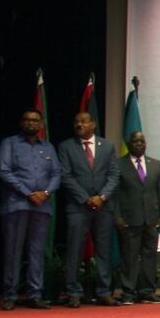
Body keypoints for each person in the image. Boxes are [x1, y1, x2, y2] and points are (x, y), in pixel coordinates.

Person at [0, 108, 60, 310]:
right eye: (27, 120)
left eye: (35, 120)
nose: (31, 123)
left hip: (42, 205)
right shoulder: (10, 143)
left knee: (37, 252)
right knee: (13, 251)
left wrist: (45, 193)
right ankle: (10, 295)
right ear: (21, 123)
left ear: (41, 124)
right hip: (17, 204)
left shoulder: (48, 147)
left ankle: (35, 294)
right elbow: (3, 170)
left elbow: (56, 174)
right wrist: (27, 192)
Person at [57, 111, 120, 307]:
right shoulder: (66, 146)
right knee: (75, 250)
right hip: (78, 206)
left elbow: (114, 175)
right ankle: (74, 292)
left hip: (104, 206)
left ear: (93, 124)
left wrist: (101, 197)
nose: (79, 124)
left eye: (83, 121)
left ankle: (103, 291)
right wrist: (86, 199)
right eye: (76, 121)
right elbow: (65, 176)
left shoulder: (107, 146)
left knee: (103, 250)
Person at [113, 131, 160, 305]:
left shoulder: (155, 164)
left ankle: (147, 292)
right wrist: (118, 216)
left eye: (141, 141)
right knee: (129, 257)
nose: (138, 144)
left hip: (151, 218)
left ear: (145, 144)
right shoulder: (118, 164)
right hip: (129, 218)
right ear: (128, 144)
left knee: (149, 257)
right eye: (135, 141)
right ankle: (128, 292)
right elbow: (114, 194)